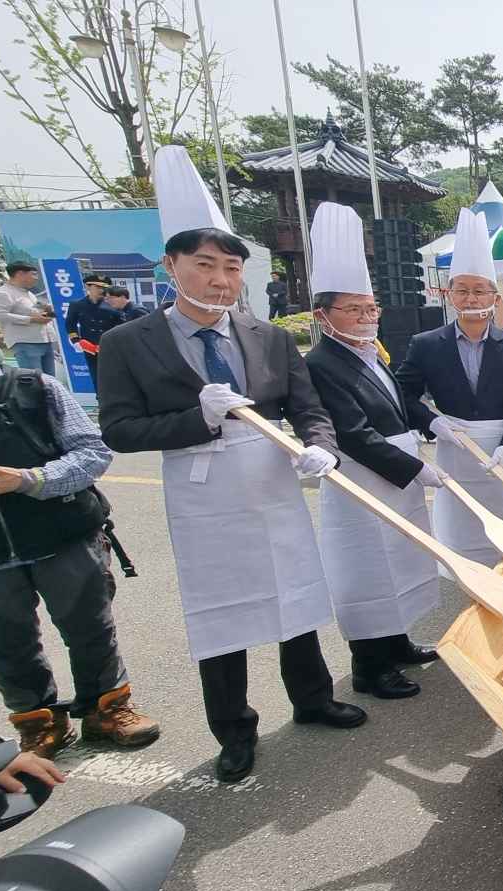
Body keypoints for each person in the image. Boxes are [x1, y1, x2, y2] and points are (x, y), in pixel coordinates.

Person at [96, 146, 365, 784]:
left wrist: (319, 445)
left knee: (295, 592)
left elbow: (308, 405)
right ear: (172, 265)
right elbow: (119, 430)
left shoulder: (268, 335)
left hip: (272, 478)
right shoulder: (127, 342)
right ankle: (234, 730)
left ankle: (313, 697)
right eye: (206, 265)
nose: (221, 280)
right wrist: (201, 417)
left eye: (232, 268)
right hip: (202, 491)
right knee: (222, 613)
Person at [0, 324, 159, 759]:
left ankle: (108, 708)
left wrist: (30, 480)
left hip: (61, 535)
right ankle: (37, 722)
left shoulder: (33, 387)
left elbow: (91, 452)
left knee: (90, 626)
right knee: (6, 641)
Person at [304, 202, 442, 703]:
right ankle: (369, 666)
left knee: (400, 561)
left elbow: (400, 402)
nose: (366, 318)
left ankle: (398, 640)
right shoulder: (322, 362)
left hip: (394, 475)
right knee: (367, 568)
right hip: (362, 480)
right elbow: (355, 433)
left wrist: (431, 421)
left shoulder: (368, 352)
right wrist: (416, 469)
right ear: (324, 315)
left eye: (371, 308)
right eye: (354, 310)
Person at [397, 209, 503, 566]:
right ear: (450, 295)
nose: (471, 299)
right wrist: (432, 423)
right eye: (462, 291)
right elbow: (402, 394)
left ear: (494, 296)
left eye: (479, 291)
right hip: (454, 445)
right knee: (463, 530)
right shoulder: (426, 344)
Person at [66, 280, 147, 385]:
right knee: (97, 378)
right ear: (88, 287)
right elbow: (70, 324)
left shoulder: (113, 305)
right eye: (98, 287)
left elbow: (123, 325)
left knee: (117, 378)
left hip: (111, 347)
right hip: (90, 347)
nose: (101, 290)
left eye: (104, 287)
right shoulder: (77, 304)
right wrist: (76, 341)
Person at [0, 263, 56, 378]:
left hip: (44, 340)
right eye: (33, 274)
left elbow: (32, 311)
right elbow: (0, 315)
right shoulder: (3, 293)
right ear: (20, 274)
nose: (36, 278)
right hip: (26, 343)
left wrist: (45, 311)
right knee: (35, 382)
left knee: (51, 382)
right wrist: (31, 319)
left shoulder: (29, 293)